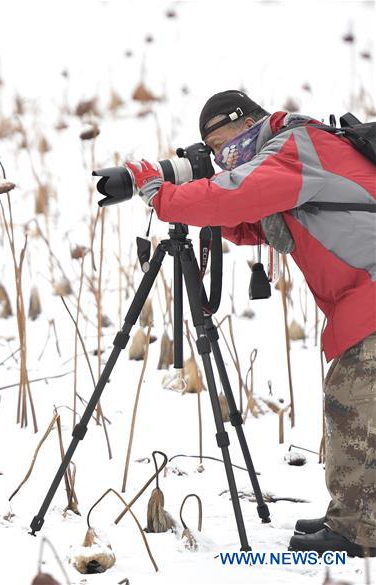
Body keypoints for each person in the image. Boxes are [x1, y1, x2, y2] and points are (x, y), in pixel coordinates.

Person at [124, 90, 376, 556]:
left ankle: (359, 530)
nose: (222, 158)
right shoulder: (299, 150)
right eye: (215, 153)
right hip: (361, 299)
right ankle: (358, 515)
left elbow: (236, 193)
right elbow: (261, 216)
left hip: (369, 298)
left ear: (245, 123)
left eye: (221, 145)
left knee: (353, 405)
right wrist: (203, 207)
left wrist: (161, 195)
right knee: (361, 406)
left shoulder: (295, 145)